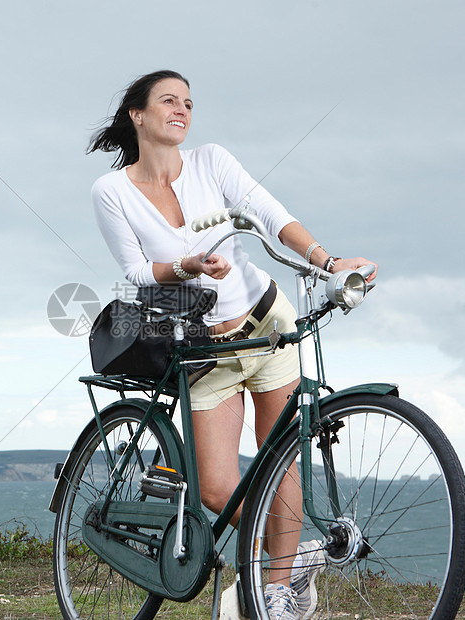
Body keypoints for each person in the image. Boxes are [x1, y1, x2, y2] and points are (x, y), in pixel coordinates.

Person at [88, 70, 377, 620]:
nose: (182, 110)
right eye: (168, 101)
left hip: (266, 325)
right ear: (138, 115)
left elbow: (269, 213)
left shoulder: (212, 161)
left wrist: (327, 260)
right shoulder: (111, 192)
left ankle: (275, 594)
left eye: (189, 103)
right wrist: (187, 266)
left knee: (282, 465)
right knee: (217, 487)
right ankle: (285, 561)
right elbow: (133, 271)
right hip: (204, 351)